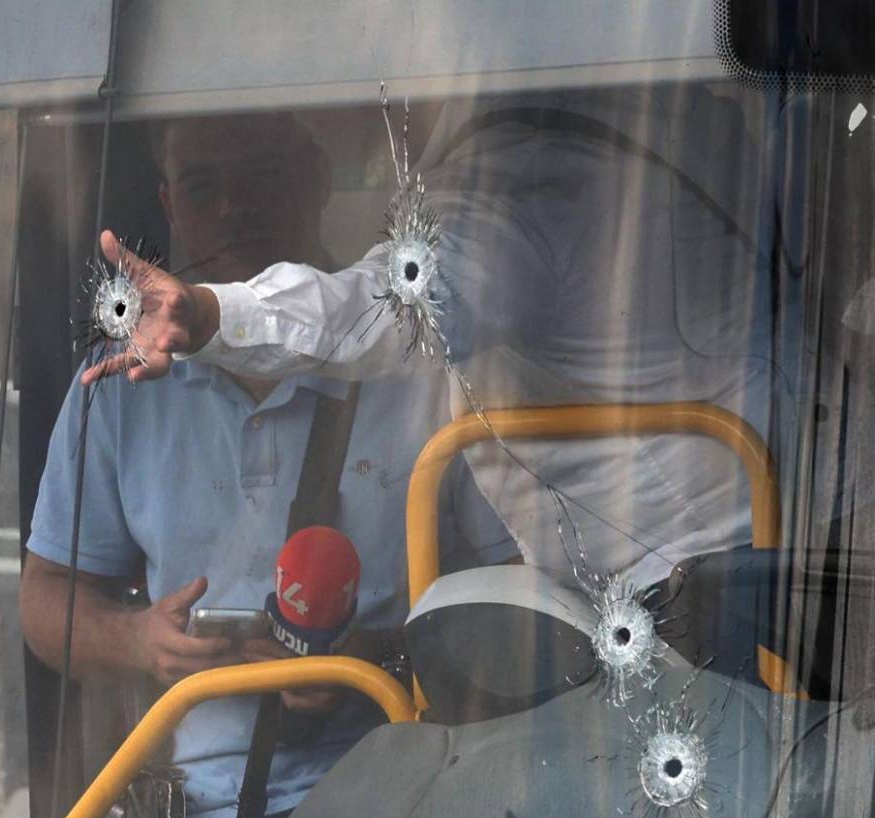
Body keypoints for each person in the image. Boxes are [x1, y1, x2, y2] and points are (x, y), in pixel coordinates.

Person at [19, 112, 516, 818]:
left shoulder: (420, 358)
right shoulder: (116, 380)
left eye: (261, 177)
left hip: (408, 803)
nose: (234, 206)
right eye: (202, 185)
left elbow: (524, 597)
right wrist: (141, 641)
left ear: (315, 179)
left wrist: (373, 659)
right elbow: (44, 602)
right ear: (168, 205)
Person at [85, 83, 777, 596]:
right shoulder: (675, 107)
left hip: (699, 582)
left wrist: (212, 314)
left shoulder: (520, 174)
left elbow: (396, 302)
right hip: (773, 532)